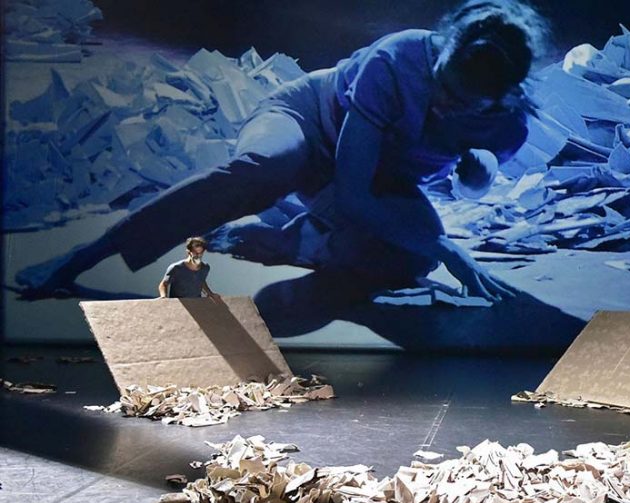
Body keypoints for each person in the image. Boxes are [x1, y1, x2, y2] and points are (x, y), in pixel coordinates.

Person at [16, 0, 549, 302]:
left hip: (374, 174)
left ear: (501, 98)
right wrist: (447, 246)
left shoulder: (508, 121)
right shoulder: (398, 61)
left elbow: (471, 180)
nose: (444, 103)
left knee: (408, 259)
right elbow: (356, 192)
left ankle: (280, 239)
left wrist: (477, 171)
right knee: (267, 167)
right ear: (442, 49)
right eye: (442, 84)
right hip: (308, 121)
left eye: (465, 102)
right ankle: (80, 257)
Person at [157, 237, 222, 301]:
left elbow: (201, 281)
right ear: (189, 252)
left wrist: (210, 293)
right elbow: (164, 284)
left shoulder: (205, 268)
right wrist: (163, 297)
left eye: (200, 253)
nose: (198, 255)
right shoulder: (176, 268)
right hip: (179, 305)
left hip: (196, 303)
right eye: (195, 253)